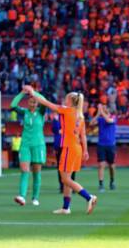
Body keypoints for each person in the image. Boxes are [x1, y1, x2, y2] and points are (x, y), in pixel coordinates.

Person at [23, 86, 97, 215]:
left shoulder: (67, 110)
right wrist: (85, 151)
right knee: (67, 178)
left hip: (68, 148)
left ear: (70, 101)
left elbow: (46, 103)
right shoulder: (80, 116)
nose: (64, 101)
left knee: (65, 179)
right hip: (77, 148)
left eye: (66, 99)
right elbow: (83, 135)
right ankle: (66, 207)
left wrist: (32, 92)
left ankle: (89, 197)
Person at [11, 90, 47, 207]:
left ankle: (35, 197)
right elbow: (13, 105)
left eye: (35, 102)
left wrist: (33, 92)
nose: (32, 104)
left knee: (36, 172)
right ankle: (22, 196)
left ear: (37, 103)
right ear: (27, 102)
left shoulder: (41, 112)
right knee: (24, 170)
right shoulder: (24, 112)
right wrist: (21, 93)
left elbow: (45, 101)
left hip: (38, 145)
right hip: (25, 145)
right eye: (31, 102)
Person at [90, 104, 117, 192]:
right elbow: (91, 123)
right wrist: (98, 113)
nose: (103, 109)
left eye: (105, 108)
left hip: (111, 145)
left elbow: (109, 121)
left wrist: (102, 112)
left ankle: (112, 180)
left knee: (111, 166)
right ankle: (101, 184)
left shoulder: (113, 117)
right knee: (101, 164)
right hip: (101, 144)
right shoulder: (100, 119)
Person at [52, 112, 76, 193]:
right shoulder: (57, 119)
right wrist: (55, 120)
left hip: (69, 146)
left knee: (71, 167)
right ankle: (62, 185)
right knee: (60, 167)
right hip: (59, 146)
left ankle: (71, 185)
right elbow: (56, 131)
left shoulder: (70, 117)